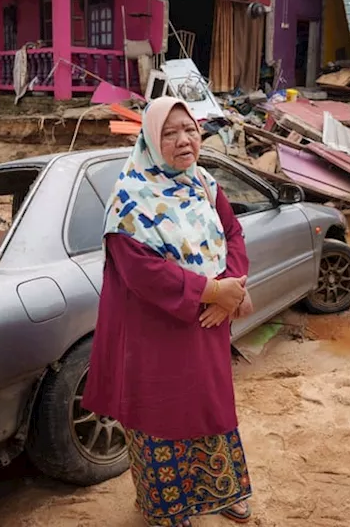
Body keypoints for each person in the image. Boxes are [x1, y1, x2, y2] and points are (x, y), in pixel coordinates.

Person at [84, 97, 255, 527]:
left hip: (204, 325)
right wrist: (213, 290)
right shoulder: (129, 198)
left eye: (191, 130)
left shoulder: (204, 184)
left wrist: (228, 290)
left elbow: (233, 234)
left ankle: (222, 492)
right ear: (150, 138)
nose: (184, 140)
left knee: (211, 407)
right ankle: (168, 508)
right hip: (156, 333)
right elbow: (142, 272)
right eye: (170, 132)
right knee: (161, 415)